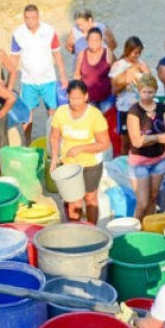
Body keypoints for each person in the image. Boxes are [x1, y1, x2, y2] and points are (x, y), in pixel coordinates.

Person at [49, 80, 110, 225]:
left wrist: (81, 148)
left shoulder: (95, 115)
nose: (75, 102)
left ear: (86, 97)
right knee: (73, 199)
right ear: (67, 97)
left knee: (90, 197)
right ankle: (75, 230)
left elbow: (104, 143)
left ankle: (92, 228)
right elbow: (54, 137)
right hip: (69, 164)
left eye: (78, 98)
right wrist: (53, 159)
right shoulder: (61, 113)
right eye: (72, 98)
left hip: (91, 163)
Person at [10, 4, 68, 142]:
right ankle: (28, 142)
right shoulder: (18, 34)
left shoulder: (49, 31)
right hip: (28, 81)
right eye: (27, 18)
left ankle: (53, 141)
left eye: (33, 18)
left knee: (52, 112)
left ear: (38, 17)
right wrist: (9, 83)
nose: (30, 21)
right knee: (27, 114)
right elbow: (14, 59)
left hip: (48, 79)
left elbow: (57, 55)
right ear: (24, 18)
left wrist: (63, 76)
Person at [125, 75, 165, 220]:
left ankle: (148, 226)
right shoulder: (134, 111)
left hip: (159, 159)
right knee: (142, 203)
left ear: (155, 91)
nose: (147, 95)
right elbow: (136, 142)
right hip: (140, 162)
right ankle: (136, 229)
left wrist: (148, 138)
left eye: (151, 92)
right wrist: (159, 137)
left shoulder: (162, 108)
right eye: (144, 92)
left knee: (153, 197)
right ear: (139, 91)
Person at [110, 36, 150, 156]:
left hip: (140, 109)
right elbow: (114, 90)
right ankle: (124, 166)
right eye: (134, 52)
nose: (136, 55)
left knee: (139, 142)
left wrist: (146, 73)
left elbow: (151, 87)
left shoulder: (142, 64)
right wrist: (127, 79)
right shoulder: (118, 65)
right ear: (127, 50)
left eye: (138, 52)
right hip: (124, 109)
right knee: (125, 142)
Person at [73, 28, 114, 111]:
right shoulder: (81, 54)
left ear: (101, 40)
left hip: (106, 98)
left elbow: (115, 75)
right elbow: (77, 76)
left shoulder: (108, 54)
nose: (94, 43)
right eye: (91, 40)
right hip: (88, 99)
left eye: (96, 40)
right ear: (87, 41)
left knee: (106, 122)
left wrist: (115, 92)